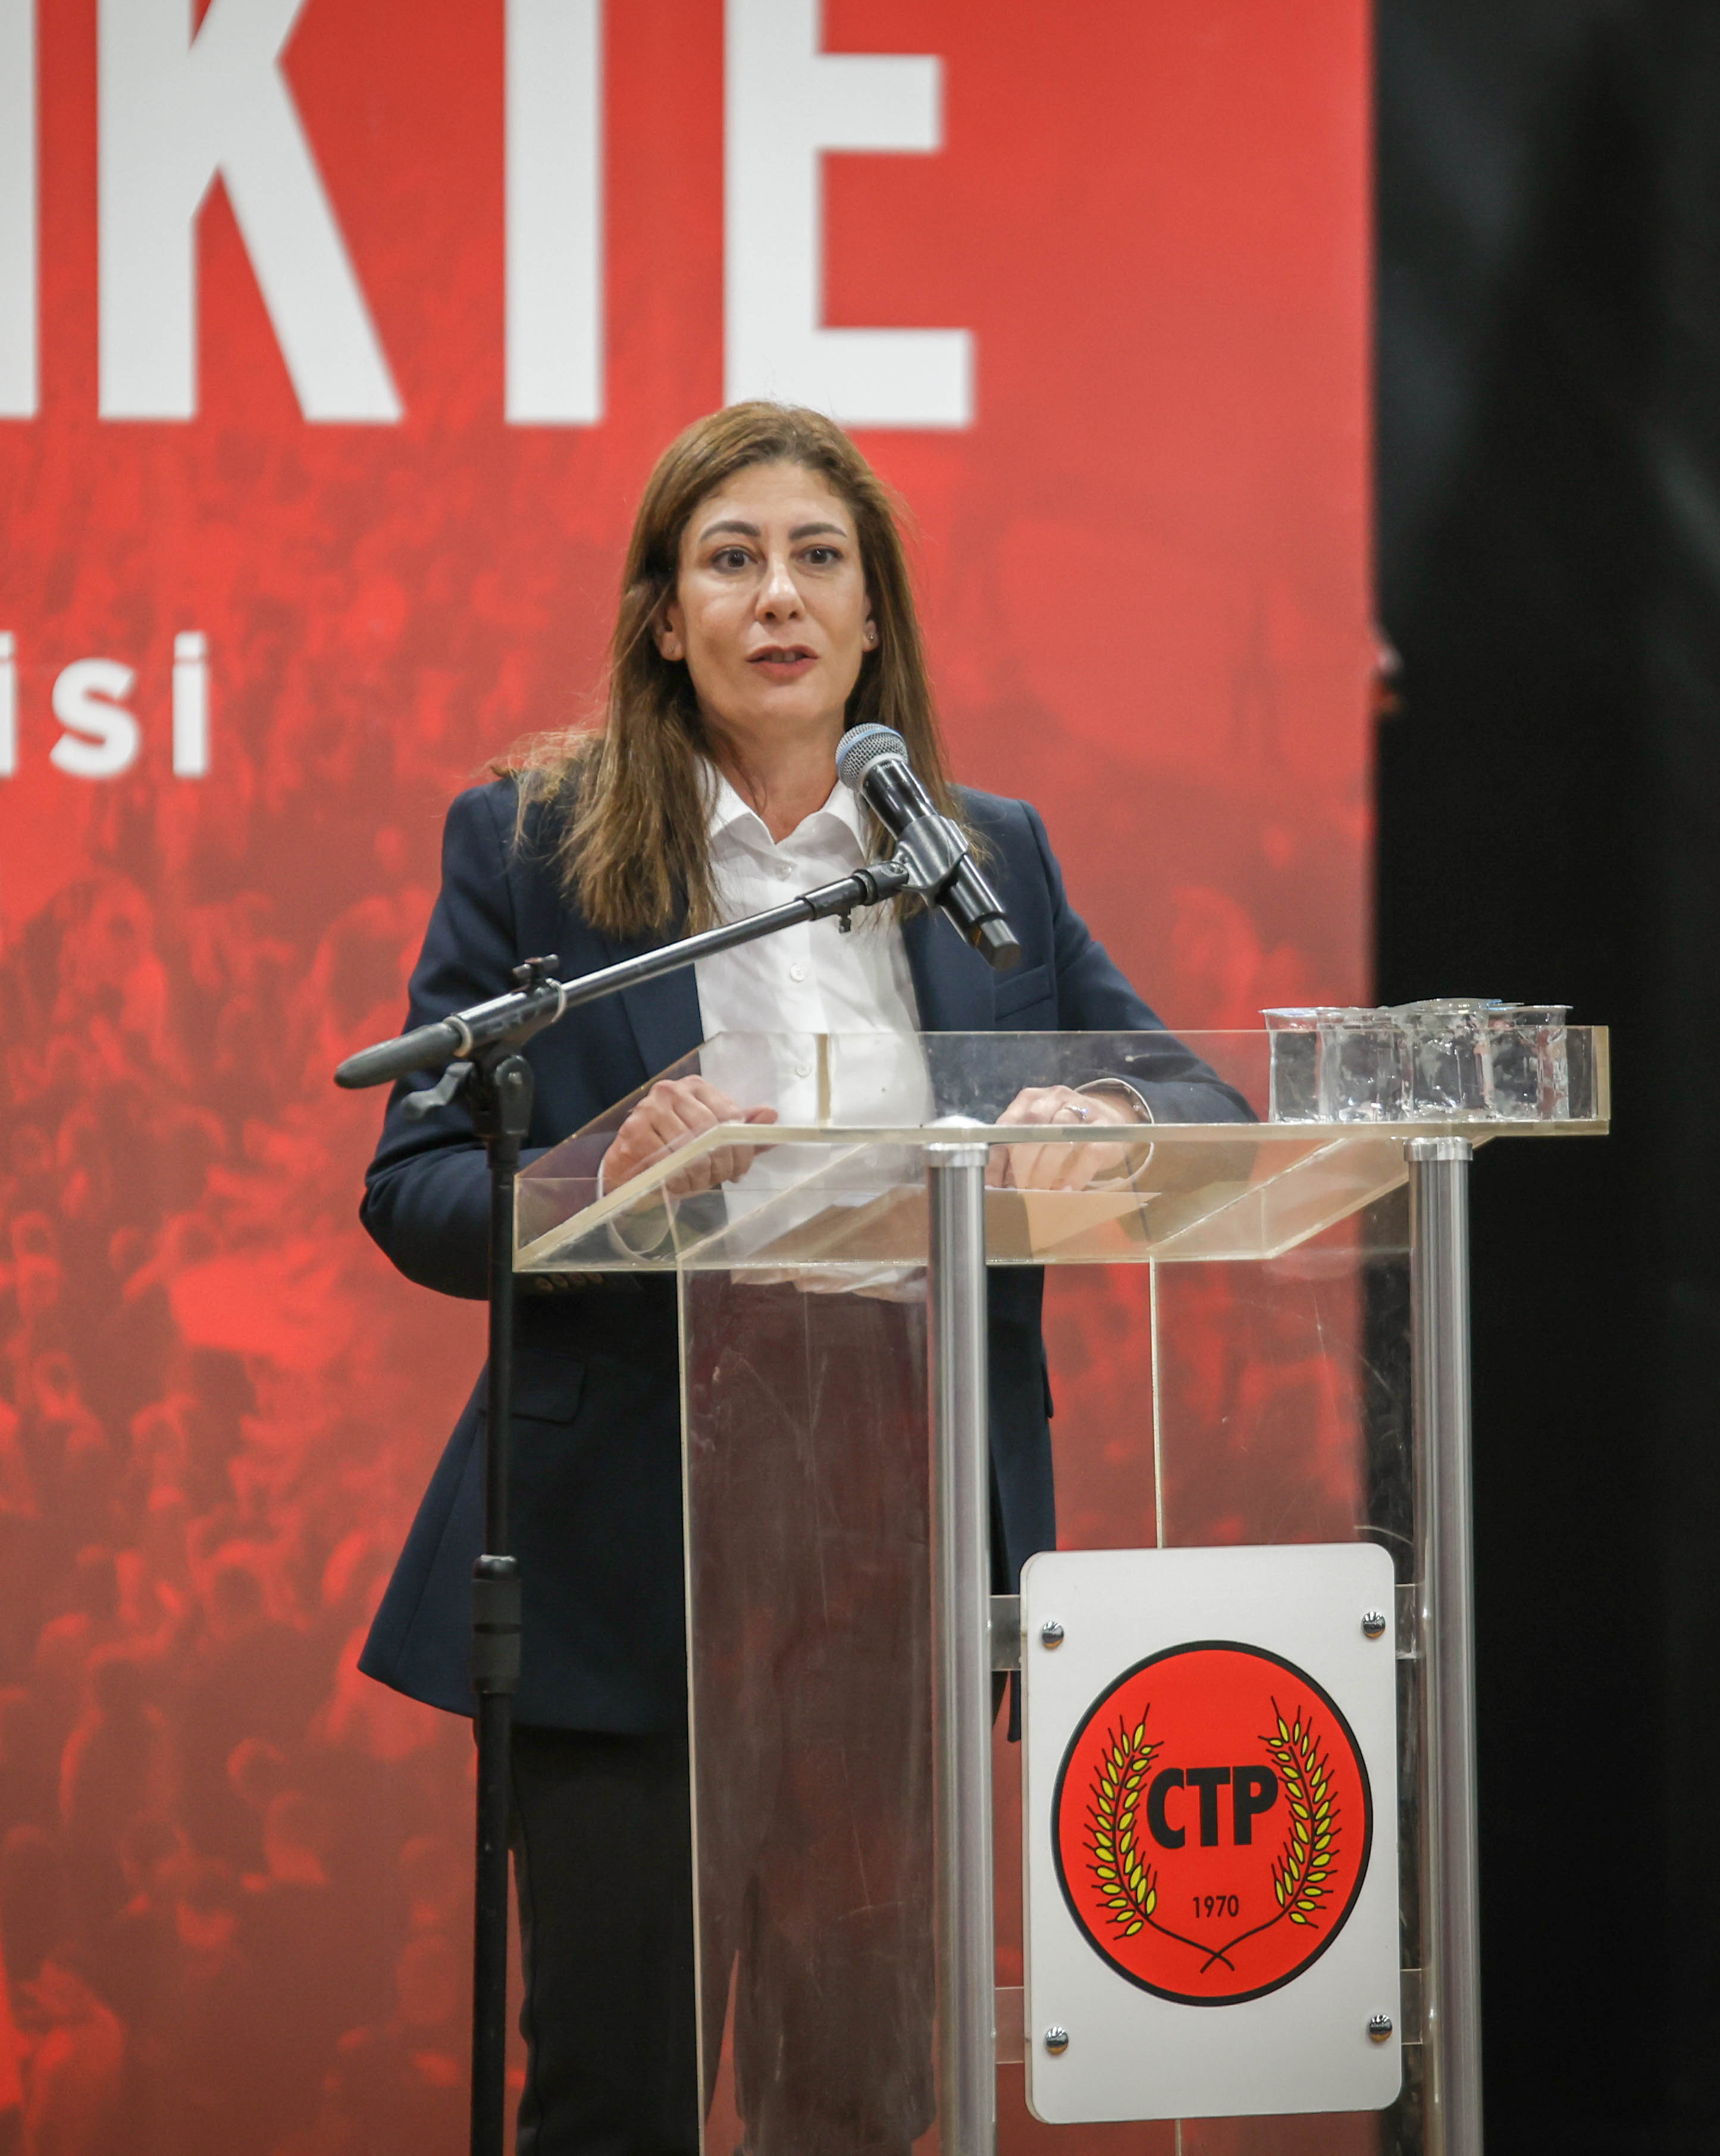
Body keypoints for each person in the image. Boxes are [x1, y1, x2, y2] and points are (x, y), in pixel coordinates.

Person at [354, 401, 1245, 2153]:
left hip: (903, 1518)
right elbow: (417, 1187)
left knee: (860, 2089)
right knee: (617, 2090)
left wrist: (1102, 1113)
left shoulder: (980, 854)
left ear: (872, 614)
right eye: (733, 558)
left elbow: (1200, 1101)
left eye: (819, 558)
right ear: (661, 617)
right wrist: (595, 1174)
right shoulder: (535, 841)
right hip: (635, 1524)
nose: (779, 595)